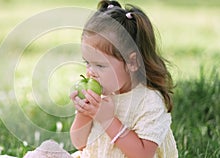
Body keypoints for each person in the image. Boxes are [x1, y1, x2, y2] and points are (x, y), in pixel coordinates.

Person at [69, 0, 178, 157]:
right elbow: (79, 144)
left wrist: (107, 120)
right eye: (87, 63)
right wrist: (84, 113)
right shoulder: (101, 94)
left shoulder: (148, 101)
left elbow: (144, 154)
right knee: (46, 150)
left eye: (100, 65)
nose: (91, 72)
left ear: (132, 62)